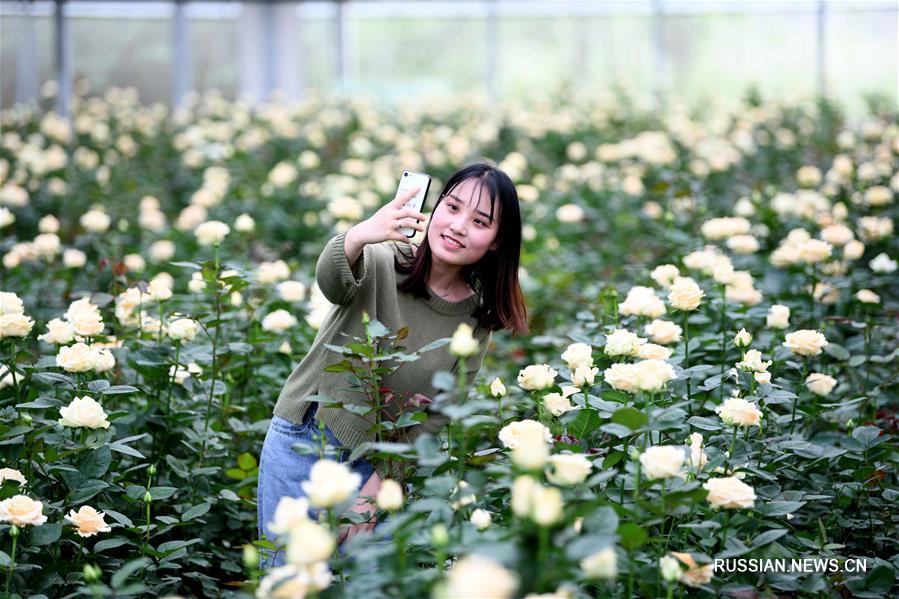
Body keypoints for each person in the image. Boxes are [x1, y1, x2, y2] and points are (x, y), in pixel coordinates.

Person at [257, 162, 529, 567]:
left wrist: (379, 484)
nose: (458, 226)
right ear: (433, 210)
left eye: (479, 221)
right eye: (452, 208)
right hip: (308, 439)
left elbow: (437, 414)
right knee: (290, 582)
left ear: (495, 241)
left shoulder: (475, 318)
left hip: (378, 464)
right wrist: (358, 236)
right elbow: (332, 281)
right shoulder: (383, 260)